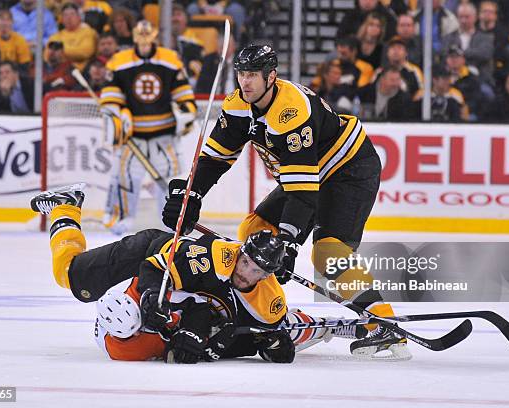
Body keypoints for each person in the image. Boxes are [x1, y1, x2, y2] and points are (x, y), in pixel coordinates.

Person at [161, 44, 412, 361]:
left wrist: (289, 243)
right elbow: (213, 160)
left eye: (253, 74)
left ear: (271, 77)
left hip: (349, 168)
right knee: (254, 231)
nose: (246, 82)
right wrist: (190, 195)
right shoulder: (238, 104)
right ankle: (263, 311)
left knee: (328, 253)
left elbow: (302, 189)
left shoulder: (291, 110)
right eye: (241, 74)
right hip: (311, 176)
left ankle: (385, 325)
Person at [29, 183, 296, 364]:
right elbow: (153, 270)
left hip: (162, 267)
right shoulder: (209, 262)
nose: (246, 272)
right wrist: (152, 295)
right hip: (152, 254)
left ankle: (65, 207)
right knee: (68, 276)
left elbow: (268, 326)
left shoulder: (258, 290)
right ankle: (65, 205)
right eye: (246, 263)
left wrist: (270, 343)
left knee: (70, 275)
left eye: (256, 269)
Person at [99, 20, 197, 235]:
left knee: (170, 181)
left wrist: (186, 112)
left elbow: (183, 94)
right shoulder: (119, 61)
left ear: (153, 36)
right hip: (132, 138)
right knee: (126, 179)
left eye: (147, 37)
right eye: (140, 37)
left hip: (164, 135)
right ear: (134, 37)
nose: (144, 42)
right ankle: (121, 222)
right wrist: (118, 115)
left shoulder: (170, 59)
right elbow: (110, 98)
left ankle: (171, 223)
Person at [47, 3, 98, 71]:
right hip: (58, 72)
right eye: (65, 15)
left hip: (81, 71)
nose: (69, 17)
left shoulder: (88, 32)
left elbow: (85, 53)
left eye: (72, 14)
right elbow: (47, 55)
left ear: (79, 17)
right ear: (61, 19)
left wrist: (61, 51)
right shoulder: (55, 36)